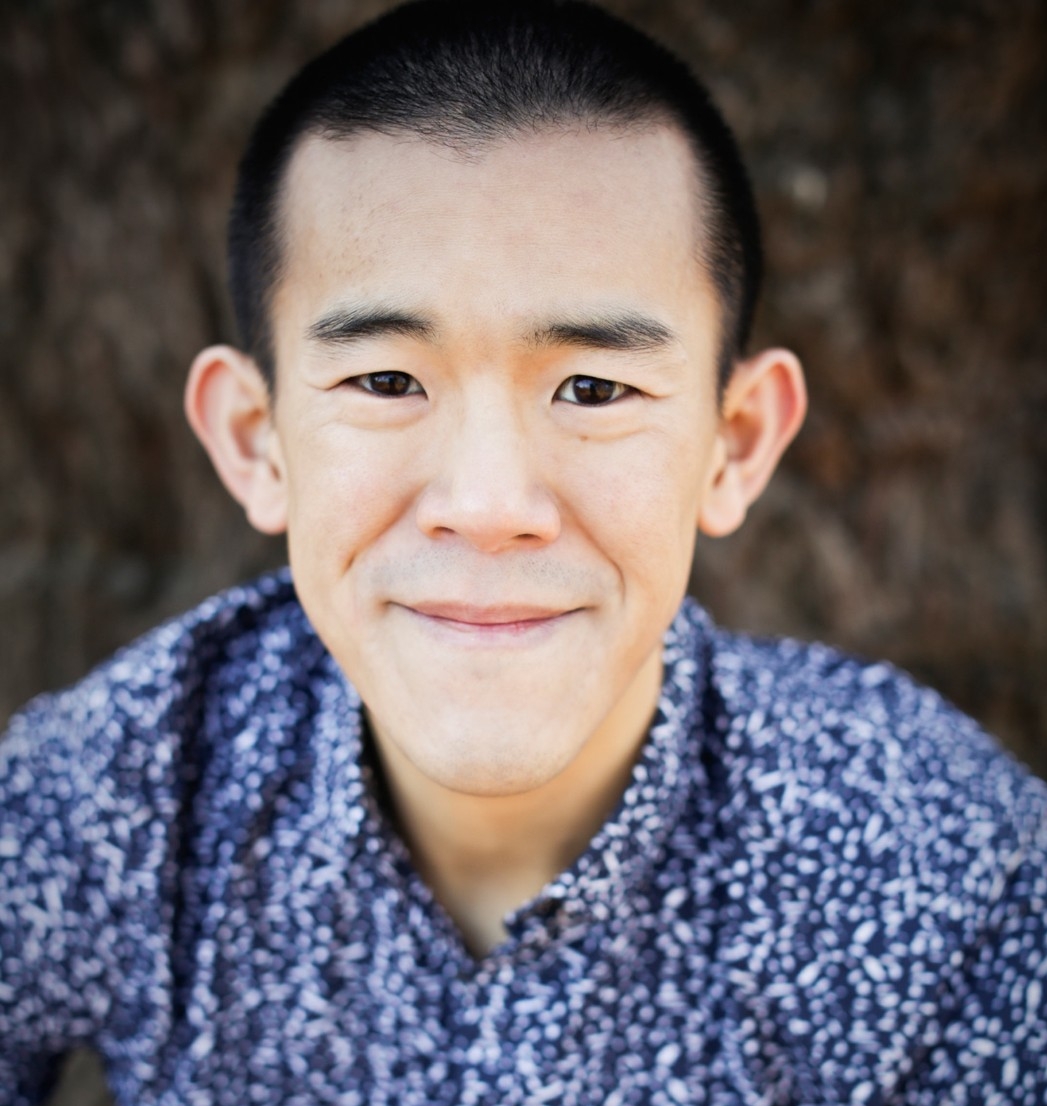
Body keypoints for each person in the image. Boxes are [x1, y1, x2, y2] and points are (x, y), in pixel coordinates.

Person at [2, 1, 1045, 1102]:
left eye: (594, 388)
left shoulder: (944, 865)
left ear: (732, 444)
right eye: (386, 380)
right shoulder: (124, 795)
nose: (489, 503)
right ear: (256, 441)